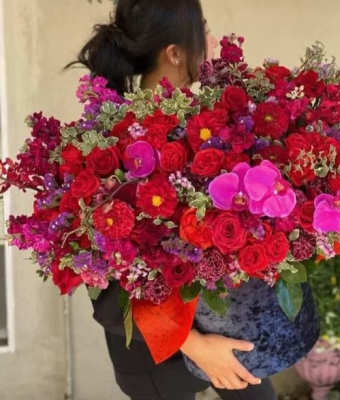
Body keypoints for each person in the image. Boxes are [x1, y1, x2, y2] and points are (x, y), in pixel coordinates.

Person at [70, 1, 278, 399]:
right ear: (175, 53)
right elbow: (108, 290)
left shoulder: (206, 126)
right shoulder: (118, 144)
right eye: (204, 29)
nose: (213, 41)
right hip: (157, 358)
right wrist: (197, 347)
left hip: (221, 329)